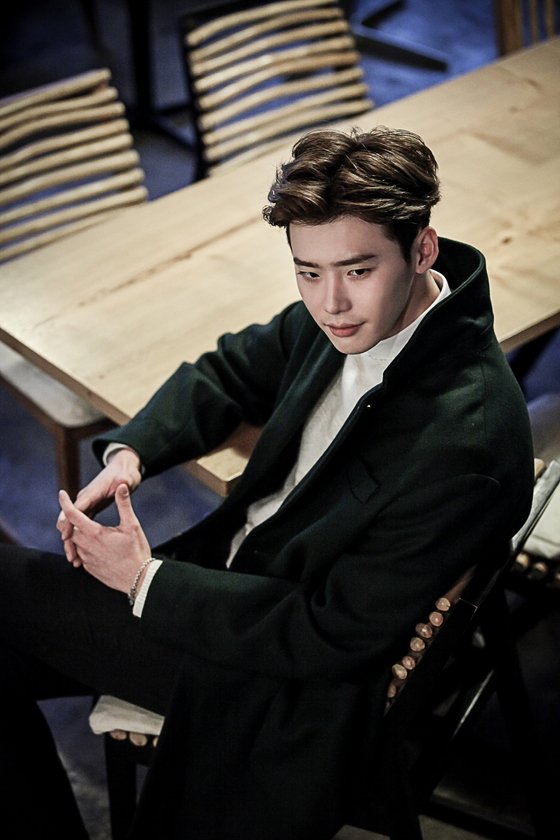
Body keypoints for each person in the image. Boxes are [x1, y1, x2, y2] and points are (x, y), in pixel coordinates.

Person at [0, 126, 534, 840]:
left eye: (357, 270)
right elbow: (229, 372)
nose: (331, 301)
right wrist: (131, 454)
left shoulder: (467, 439)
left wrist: (145, 581)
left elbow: (329, 632)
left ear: (423, 249)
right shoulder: (349, 316)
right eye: (308, 272)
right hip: (229, 589)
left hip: (274, 675)